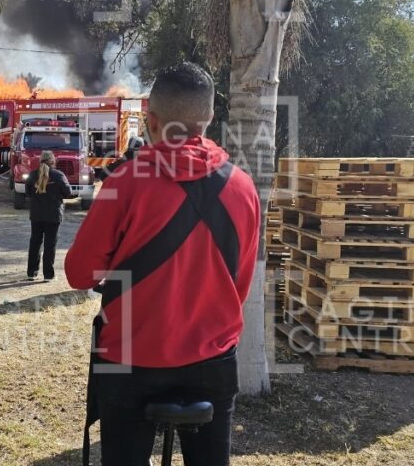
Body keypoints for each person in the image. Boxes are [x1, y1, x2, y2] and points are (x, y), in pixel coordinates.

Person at [64, 62, 261, 466]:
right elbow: (238, 286)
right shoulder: (242, 187)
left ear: (150, 119)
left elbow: (79, 274)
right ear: (208, 118)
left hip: (129, 360)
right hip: (212, 363)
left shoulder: (124, 182)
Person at [25, 150, 71, 280]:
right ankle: (48, 275)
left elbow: (28, 193)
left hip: (36, 214)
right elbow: (67, 192)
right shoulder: (58, 175)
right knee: (50, 244)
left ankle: (31, 273)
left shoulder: (32, 175)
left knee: (35, 242)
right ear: (53, 161)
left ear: (40, 161)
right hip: (53, 215)